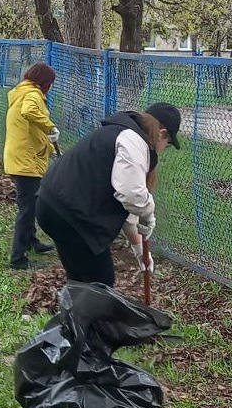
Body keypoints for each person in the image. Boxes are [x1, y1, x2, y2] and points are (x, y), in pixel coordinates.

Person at [35, 104, 182, 287]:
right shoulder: (133, 141)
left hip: (50, 205)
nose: (162, 149)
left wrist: (138, 249)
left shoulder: (119, 132)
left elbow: (125, 207)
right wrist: (148, 213)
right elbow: (131, 195)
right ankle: (93, 315)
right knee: (101, 285)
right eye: (167, 144)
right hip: (73, 215)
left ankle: (76, 313)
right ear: (162, 133)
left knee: (80, 281)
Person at [3, 62, 60, 270]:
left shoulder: (22, 91)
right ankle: (18, 259)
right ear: (45, 83)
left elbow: (31, 131)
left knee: (31, 204)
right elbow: (30, 113)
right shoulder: (33, 95)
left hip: (21, 157)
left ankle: (31, 242)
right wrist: (51, 126)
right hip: (25, 162)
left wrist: (51, 149)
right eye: (51, 83)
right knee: (27, 209)